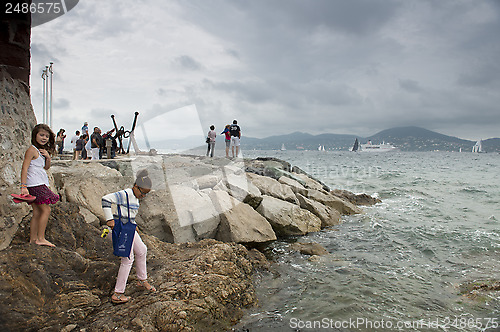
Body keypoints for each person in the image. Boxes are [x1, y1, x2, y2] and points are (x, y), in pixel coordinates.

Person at [102, 169, 156, 304]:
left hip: (130, 227)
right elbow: (106, 199)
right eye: (142, 193)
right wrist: (109, 220)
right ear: (135, 187)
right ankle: (118, 293)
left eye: (146, 195)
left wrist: (134, 223)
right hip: (121, 228)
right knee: (127, 258)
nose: (143, 196)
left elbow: (129, 212)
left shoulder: (136, 197)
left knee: (142, 250)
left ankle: (142, 280)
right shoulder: (125, 194)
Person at [20, 124, 60, 247]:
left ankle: (33, 239)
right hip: (35, 184)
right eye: (41, 135)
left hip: (39, 183)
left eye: (47, 136)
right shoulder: (31, 150)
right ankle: (41, 238)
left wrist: (48, 157)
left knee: (37, 212)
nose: (44, 138)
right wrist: (23, 186)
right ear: (35, 135)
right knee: (46, 210)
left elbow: (46, 168)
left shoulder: (40, 151)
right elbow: (24, 168)